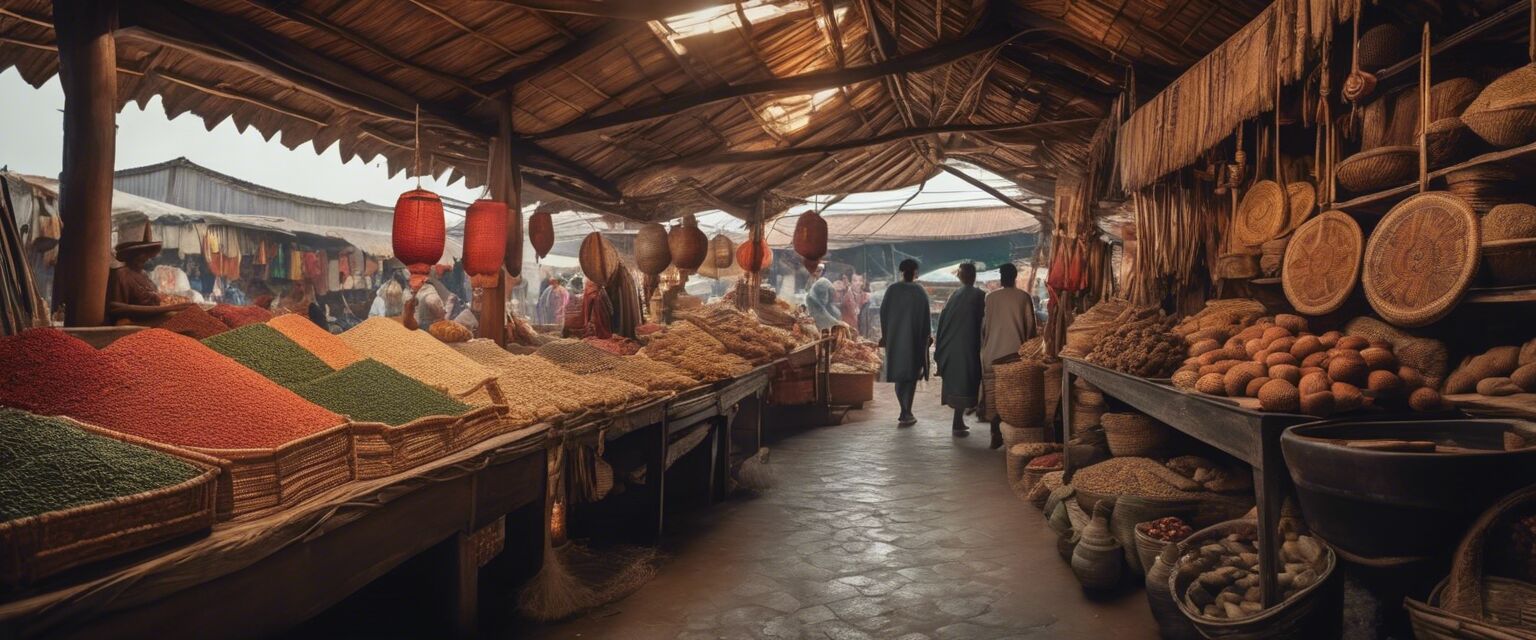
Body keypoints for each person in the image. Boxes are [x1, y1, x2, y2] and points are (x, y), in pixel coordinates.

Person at [979, 263, 1039, 448]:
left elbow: (984, 328)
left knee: (994, 397)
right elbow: (1031, 329)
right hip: (1016, 357)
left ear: (1001, 277)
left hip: (992, 354)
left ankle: (994, 432)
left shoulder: (991, 298)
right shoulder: (1024, 297)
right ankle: (1012, 438)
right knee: (1015, 399)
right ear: (1014, 277)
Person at [934, 263, 985, 435]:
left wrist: (940, 347)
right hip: (969, 347)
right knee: (966, 383)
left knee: (958, 384)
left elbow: (942, 322)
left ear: (961, 277)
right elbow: (985, 324)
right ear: (973, 276)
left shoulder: (954, 295)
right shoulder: (980, 295)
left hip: (952, 347)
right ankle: (958, 422)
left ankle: (958, 420)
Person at [879, 259, 931, 426]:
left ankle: (905, 410)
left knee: (900, 376)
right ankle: (906, 410)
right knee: (911, 376)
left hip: (895, 339)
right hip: (914, 339)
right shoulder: (919, 291)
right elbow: (926, 317)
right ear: (915, 272)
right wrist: (927, 336)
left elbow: (883, 314)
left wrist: (886, 335)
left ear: (902, 271)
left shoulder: (892, 290)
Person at [104, 232, 191, 325]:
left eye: (147, 253)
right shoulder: (121, 274)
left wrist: (169, 307)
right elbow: (115, 307)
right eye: (141, 253)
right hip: (134, 321)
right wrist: (166, 309)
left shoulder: (144, 275)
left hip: (152, 318)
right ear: (130, 255)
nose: (146, 257)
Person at [805, 264, 843, 331]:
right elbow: (820, 311)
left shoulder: (824, 282)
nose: (816, 272)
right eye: (815, 270)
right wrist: (837, 323)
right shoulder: (817, 284)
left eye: (819, 270)